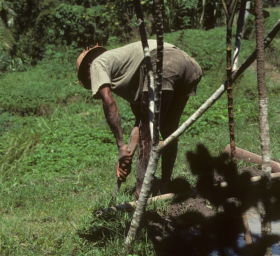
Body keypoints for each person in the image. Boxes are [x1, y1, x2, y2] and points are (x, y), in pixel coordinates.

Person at [76, 40, 202, 198]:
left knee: (147, 132)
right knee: (168, 129)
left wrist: (121, 146)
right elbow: (139, 122)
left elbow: (108, 103)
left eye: (89, 80)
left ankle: (140, 194)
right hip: (189, 66)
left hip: (163, 61)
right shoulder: (127, 69)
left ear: (88, 66)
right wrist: (127, 155)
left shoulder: (96, 63)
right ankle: (165, 186)